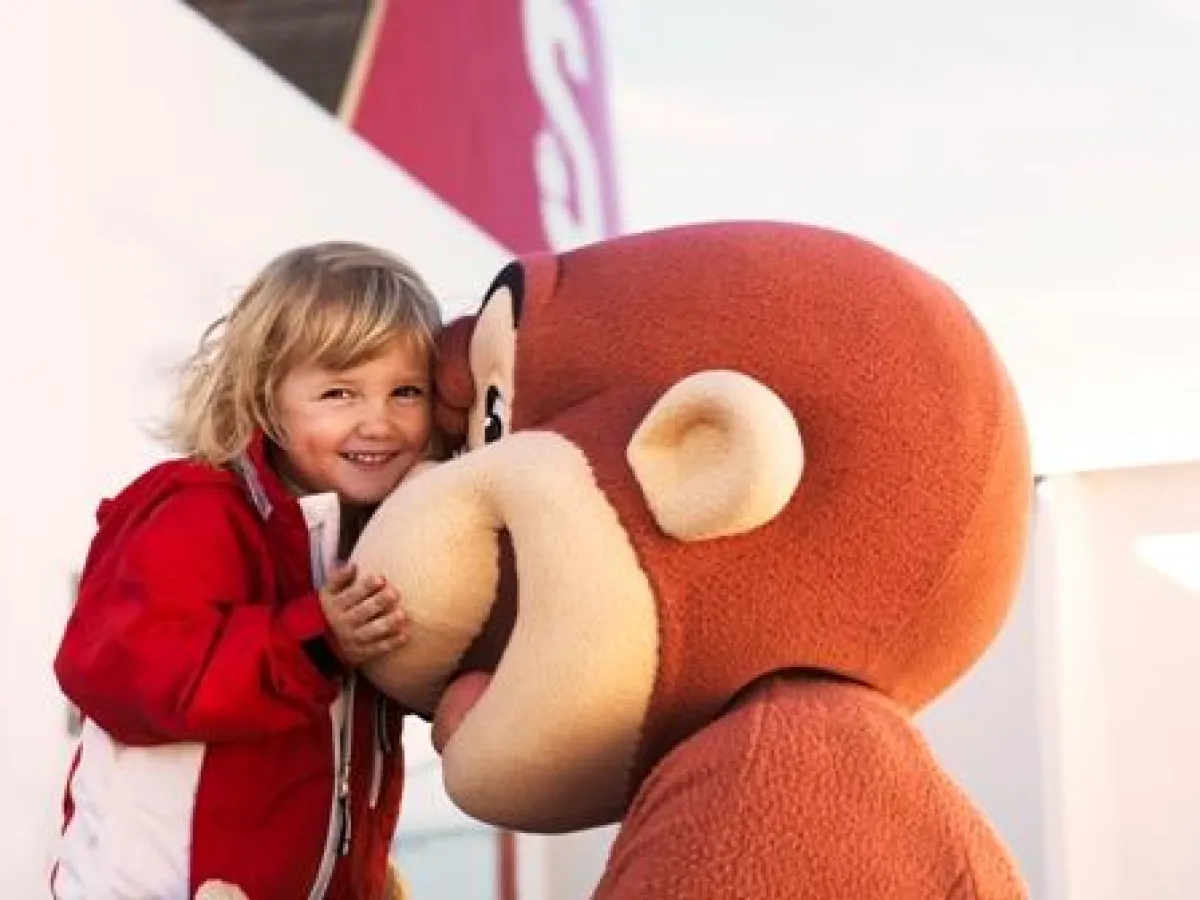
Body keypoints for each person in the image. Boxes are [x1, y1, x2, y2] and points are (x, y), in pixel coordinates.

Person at [51, 241, 441, 900]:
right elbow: (122, 670)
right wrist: (315, 640)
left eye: (406, 392)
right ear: (264, 397)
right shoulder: (194, 508)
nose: (378, 421)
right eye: (338, 392)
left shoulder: (369, 540)